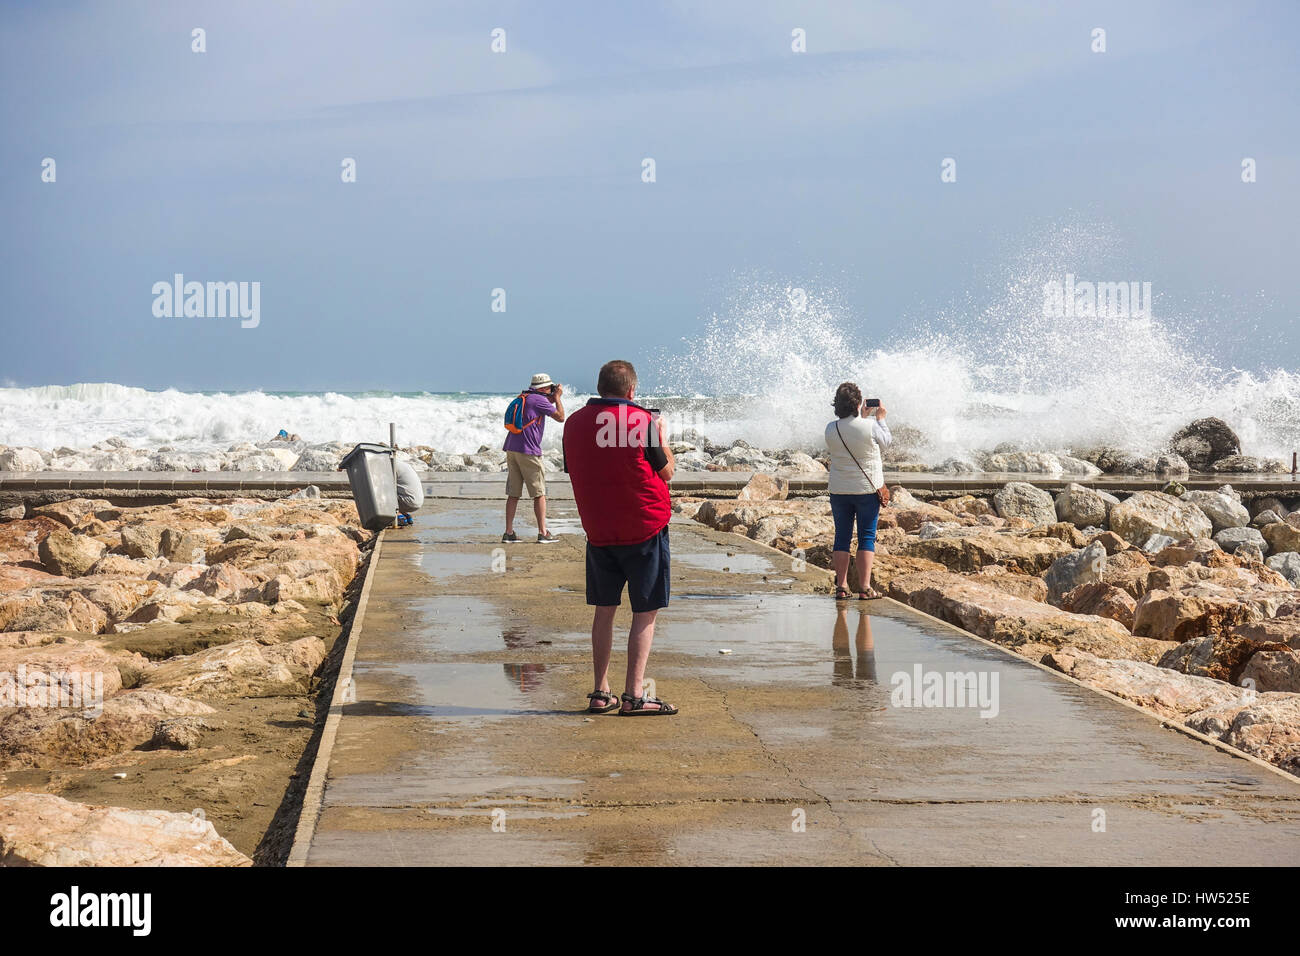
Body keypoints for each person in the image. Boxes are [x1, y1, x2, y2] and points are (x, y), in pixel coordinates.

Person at [563, 359, 678, 716]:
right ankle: (634, 695)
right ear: (631, 391)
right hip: (645, 526)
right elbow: (668, 472)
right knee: (645, 612)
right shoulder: (642, 422)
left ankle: (600, 691)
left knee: (605, 610)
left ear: (600, 388)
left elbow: (576, 466)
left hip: (599, 530)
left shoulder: (573, 423)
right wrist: (662, 437)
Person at [824, 382, 892, 600]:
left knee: (841, 537)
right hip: (867, 490)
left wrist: (862, 417)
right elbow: (886, 442)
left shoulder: (830, 428)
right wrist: (879, 418)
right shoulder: (870, 426)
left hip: (839, 490)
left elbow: (851, 433)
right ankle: (864, 588)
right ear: (857, 403)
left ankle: (842, 586)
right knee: (866, 537)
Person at [502, 373, 566, 543]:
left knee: (513, 493)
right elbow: (560, 417)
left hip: (512, 448)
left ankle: (508, 533)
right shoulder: (539, 400)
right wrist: (558, 397)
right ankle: (543, 533)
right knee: (539, 493)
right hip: (528, 451)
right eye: (550, 388)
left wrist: (552, 397)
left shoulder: (526, 397)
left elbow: (544, 405)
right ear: (544, 388)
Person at [394, 458, 424, 526]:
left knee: (381, 493)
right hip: (417, 502)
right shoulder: (403, 464)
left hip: (408, 501)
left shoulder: (391, 465)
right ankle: (406, 516)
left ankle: (398, 517)